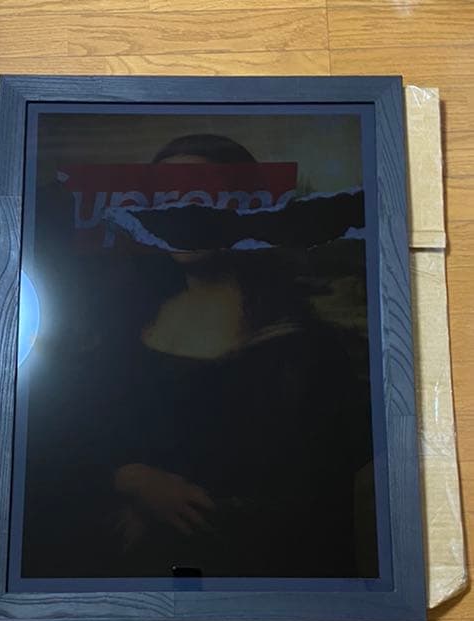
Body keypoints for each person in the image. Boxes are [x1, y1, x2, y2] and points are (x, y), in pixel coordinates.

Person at [21, 133, 377, 579]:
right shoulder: (122, 328)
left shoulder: (302, 347)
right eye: (165, 199)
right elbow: (67, 442)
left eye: (202, 198)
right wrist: (130, 480)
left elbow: (310, 501)